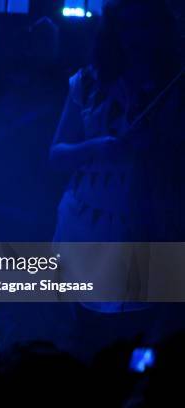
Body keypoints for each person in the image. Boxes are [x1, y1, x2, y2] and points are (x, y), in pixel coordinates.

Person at [50, 0, 184, 358]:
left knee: (143, 341)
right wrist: (98, 147)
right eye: (127, 27)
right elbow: (57, 154)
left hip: (150, 223)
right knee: (85, 336)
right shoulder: (89, 82)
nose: (135, 38)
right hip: (87, 221)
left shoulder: (174, 85)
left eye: (144, 27)